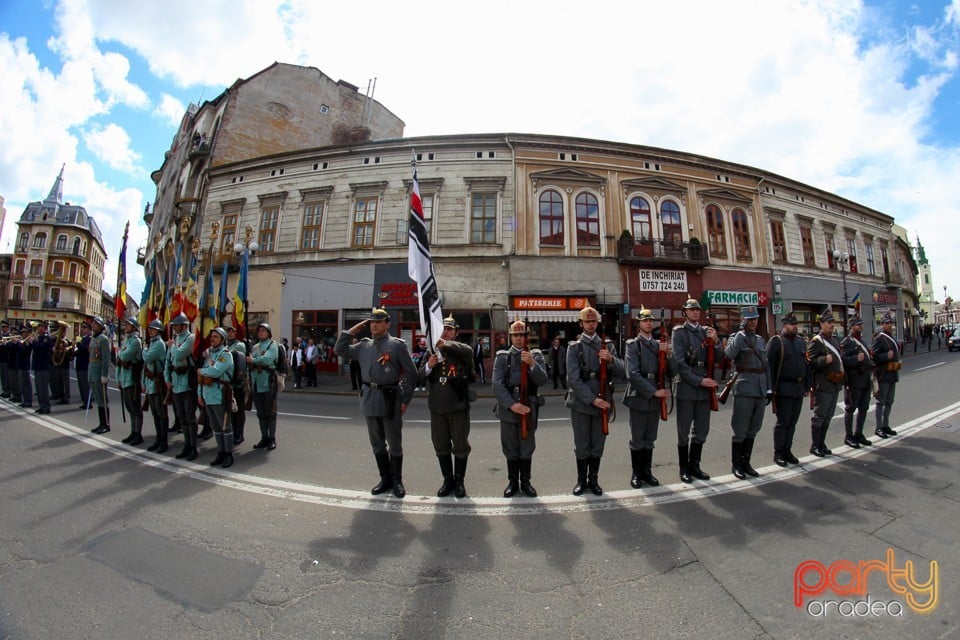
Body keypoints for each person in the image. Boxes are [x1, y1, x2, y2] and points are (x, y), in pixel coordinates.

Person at [334, 308, 417, 498]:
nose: (374, 325)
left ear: (387, 324)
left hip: (391, 398)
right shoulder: (364, 346)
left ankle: (397, 480)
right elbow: (340, 350)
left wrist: (405, 400)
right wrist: (354, 329)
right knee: (377, 443)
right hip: (370, 397)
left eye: (378, 322)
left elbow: (411, 373)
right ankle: (385, 479)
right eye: (371, 322)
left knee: (394, 443)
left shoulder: (397, 346)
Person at [565, 307, 625, 496]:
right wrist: (592, 400)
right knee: (582, 444)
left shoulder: (607, 345)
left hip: (603, 399)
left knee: (598, 443)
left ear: (597, 323)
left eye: (593, 321)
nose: (591, 324)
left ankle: (594, 479)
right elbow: (572, 379)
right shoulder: (574, 347)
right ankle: (581, 480)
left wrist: (612, 360)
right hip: (582, 403)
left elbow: (624, 372)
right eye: (587, 321)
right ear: (581, 323)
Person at [418, 316, 474, 498]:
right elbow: (419, 377)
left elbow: (468, 351)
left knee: (460, 445)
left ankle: (459, 482)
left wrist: (445, 344)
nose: (446, 332)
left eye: (450, 330)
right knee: (440, 445)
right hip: (437, 408)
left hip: (458, 406)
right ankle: (447, 480)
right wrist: (428, 365)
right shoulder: (430, 352)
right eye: (443, 329)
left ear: (456, 333)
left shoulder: (461, 350)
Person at [493, 320, 548, 498]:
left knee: (526, 446)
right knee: (510, 447)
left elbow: (542, 380)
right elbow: (497, 384)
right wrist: (511, 404)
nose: (518, 339)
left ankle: (526, 482)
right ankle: (512, 482)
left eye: (522, 335)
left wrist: (532, 364)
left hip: (528, 407)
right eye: (515, 335)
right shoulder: (502, 357)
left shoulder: (536, 355)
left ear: (526, 337)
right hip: (509, 408)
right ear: (510, 336)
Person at [623, 307, 674, 488]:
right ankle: (636, 473)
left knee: (650, 437)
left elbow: (671, 371)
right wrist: (653, 392)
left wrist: (668, 354)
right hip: (640, 396)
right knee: (637, 438)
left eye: (651, 321)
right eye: (645, 321)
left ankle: (647, 472)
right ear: (639, 324)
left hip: (655, 397)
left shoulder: (658, 344)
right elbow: (632, 374)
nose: (649, 323)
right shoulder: (633, 345)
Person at [671, 298, 721, 483]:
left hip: (704, 389)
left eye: (697, 310)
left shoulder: (705, 331)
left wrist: (716, 341)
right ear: (685, 312)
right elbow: (679, 363)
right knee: (683, 431)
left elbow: (719, 357)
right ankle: (684, 469)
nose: (695, 313)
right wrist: (700, 381)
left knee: (701, 430)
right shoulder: (679, 332)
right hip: (687, 387)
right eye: (691, 310)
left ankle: (695, 466)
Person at [724, 305, 771, 479]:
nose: (753, 322)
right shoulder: (736, 337)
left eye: (755, 319)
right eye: (749, 319)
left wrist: (769, 388)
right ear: (743, 320)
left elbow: (766, 366)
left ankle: (746, 462)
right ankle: (736, 465)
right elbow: (729, 354)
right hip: (744, 388)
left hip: (759, 388)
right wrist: (740, 334)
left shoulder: (760, 340)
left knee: (753, 428)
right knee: (740, 429)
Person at [767, 314, 810, 466]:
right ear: (784, 325)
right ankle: (778, 452)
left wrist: (807, 386)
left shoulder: (800, 342)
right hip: (783, 389)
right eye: (791, 324)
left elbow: (807, 365)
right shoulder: (777, 342)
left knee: (792, 423)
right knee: (783, 423)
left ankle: (787, 450)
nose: (794, 326)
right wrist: (770, 389)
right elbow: (770, 367)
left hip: (798, 388)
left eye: (796, 324)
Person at [806, 308, 844, 457]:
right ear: (821, 324)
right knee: (820, 416)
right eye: (828, 322)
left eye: (832, 322)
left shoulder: (834, 340)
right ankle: (815, 445)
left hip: (834, 384)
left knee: (828, 416)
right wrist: (823, 360)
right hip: (823, 385)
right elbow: (809, 362)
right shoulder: (817, 342)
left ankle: (822, 443)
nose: (831, 325)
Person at [198, 327, 235, 468]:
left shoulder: (225, 354)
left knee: (225, 426)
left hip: (220, 395)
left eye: (216, 337)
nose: (212, 339)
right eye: (212, 336)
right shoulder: (208, 355)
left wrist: (201, 371)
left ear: (222, 340)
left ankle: (228, 454)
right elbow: (202, 378)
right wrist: (200, 394)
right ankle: (220, 452)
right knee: (216, 427)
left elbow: (215, 371)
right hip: (208, 395)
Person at [165, 313, 198, 460]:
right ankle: (186, 444)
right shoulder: (177, 339)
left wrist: (172, 346)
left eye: (177, 325)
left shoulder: (190, 338)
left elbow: (178, 354)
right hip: (175, 382)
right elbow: (168, 361)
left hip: (187, 382)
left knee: (190, 416)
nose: (174, 328)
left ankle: (193, 446)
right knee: (181, 416)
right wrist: (167, 378)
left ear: (184, 325)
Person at [840, 315, 874, 449]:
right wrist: (855, 359)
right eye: (857, 324)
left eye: (861, 324)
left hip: (865, 379)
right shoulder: (847, 342)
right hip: (854, 381)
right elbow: (843, 360)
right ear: (851, 327)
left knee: (864, 408)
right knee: (850, 409)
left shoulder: (862, 341)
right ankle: (848, 436)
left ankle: (858, 433)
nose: (860, 326)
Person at [247, 323, 280, 452]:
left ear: (268, 332)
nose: (260, 332)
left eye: (263, 330)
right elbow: (250, 360)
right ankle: (264, 437)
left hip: (268, 382)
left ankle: (272, 438)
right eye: (259, 330)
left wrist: (253, 361)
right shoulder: (255, 347)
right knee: (260, 413)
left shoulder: (273, 345)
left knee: (270, 412)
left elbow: (266, 360)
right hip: (256, 383)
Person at [872, 312, 901, 439]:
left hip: (892, 374)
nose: (889, 325)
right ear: (882, 324)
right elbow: (874, 356)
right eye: (887, 323)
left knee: (889, 401)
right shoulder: (879, 338)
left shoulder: (892, 338)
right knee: (880, 402)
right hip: (883, 375)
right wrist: (885, 356)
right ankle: (878, 427)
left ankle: (885, 425)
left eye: (890, 323)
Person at [142, 319, 169, 453]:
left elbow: (147, 358)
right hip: (151, 383)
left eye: (153, 329)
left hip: (158, 383)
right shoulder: (151, 344)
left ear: (158, 331)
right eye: (150, 329)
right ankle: (158, 439)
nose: (150, 331)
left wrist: (145, 350)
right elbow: (145, 366)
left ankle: (163, 441)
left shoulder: (158, 344)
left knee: (161, 413)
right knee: (155, 414)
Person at [116, 317, 144, 445]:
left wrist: (121, 353)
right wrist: (118, 379)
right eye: (126, 324)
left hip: (133, 379)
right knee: (129, 408)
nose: (126, 326)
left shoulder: (135, 341)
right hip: (125, 378)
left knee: (135, 408)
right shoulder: (126, 341)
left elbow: (125, 356)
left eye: (128, 324)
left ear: (134, 327)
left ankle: (138, 434)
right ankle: (133, 432)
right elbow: (119, 361)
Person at [88, 317, 112, 434]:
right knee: (98, 399)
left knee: (103, 400)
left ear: (101, 326)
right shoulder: (93, 339)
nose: (93, 325)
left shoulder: (103, 339)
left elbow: (106, 358)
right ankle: (101, 423)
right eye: (93, 323)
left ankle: (106, 424)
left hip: (99, 374)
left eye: (96, 324)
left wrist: (104, 374)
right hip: (93, 373)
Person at [226, 327, 248, 444]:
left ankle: (239, 433)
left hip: (238, 382)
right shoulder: (226, 345)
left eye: (232, 331)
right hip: (228, 381)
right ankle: (233, 432)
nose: (230, 334)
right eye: (228, 332)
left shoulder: (239, 345)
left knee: (239, 410)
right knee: (231, 410)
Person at [28, 322, 55, 415]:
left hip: (44, 366)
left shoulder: (47, 339)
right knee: (39, 388)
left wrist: (33, 341)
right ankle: (41, 405)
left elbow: (40, 348)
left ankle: (46, 407)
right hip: (38, 366)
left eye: (40, 327)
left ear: (44, 328)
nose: (38, 328)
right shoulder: (39, 338)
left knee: (43, 388)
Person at [16, 325, 34, 409]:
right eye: (22, 332)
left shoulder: (28, 342)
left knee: (26, 384)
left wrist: (18, 343)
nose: (23, 334)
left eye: (25, 332)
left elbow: (23, 350)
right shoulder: (23, 341)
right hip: (20, 365)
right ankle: (25, 400)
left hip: (25, 365)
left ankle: (28, 400)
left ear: (28, 333)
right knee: (22, 384)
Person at [75, 321, 92, 409]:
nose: (82, 329)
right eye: (82, 328)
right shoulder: (83, 339)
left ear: (89, 330)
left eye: (85, 328)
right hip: (79, 364)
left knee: (85, 385)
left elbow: (86, 349)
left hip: (85, 365)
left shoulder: (89, 339)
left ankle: (88, 402)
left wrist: (78, 344)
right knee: (81, 384)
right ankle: (84, 401)